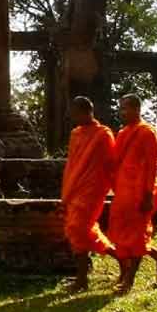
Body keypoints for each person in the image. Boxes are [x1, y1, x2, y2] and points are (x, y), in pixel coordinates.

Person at [107, 94, 157, 294]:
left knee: (136, 236)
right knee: (121, 235)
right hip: (123, 192)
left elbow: (152, 165)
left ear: (137, 109)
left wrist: (147, 195)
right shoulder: (123, 132)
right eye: (121, 108)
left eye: (126, 108)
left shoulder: (147, 132)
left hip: (139, 192)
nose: (122, 112)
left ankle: (129, 281)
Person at [60, 96, 117, 293]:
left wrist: (117, 188)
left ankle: (82, 280)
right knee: (81, 231)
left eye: (74, 113)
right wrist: (66, 190)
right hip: (75, 187)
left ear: (87, 112)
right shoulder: (76, 133)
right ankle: (121, 259)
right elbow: (72, 164)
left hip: (93, 189)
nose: (71, 116)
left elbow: (111, 164)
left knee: (78, 228)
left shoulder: (103, 134)